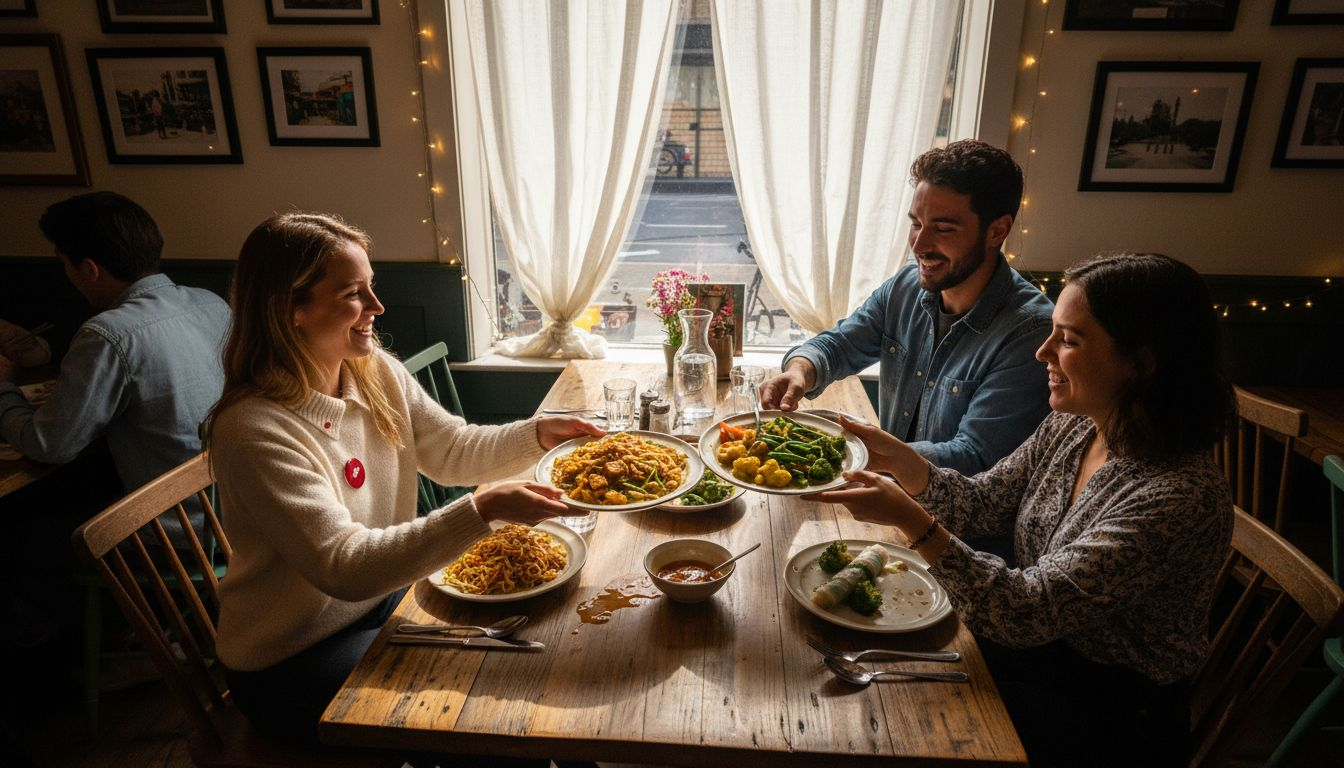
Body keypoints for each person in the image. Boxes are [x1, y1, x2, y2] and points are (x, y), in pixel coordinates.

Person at [805, 253, 1235, 767]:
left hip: (1108, 714)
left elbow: (1026, 613)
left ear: (1140, 364)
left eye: (1069, 340)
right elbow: (983, 502)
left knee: (883, 719)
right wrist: (901, 459)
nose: (1042, 352)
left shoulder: (1177, 497)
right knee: (841, 660)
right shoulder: (1078, 425)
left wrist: (911, 519)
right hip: (1034, 656)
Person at [206, 212, 603, 747]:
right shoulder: (254, 430)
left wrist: (538, 434)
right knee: (485, 714)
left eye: (373, 287)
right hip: (291, 660)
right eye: (353, 293)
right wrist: (481, 512)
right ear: (289, 309)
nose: (377, 307)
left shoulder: (372, 372)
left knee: (525, 661)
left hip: (377, 605)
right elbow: (342, 567)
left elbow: (452, 451)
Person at [760, 140, 1053, 476]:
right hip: (887, 494)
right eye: (916, 224)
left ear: (997, 231)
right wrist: (800, 369)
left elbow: (975, 456)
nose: (919, 244)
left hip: (951, 524)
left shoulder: (1032, 334)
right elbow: (840, 344)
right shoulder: (905, 287)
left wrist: (838, 448)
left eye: (943, 228)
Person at [0, 192, 231, 514]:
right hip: (237, 519)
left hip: (179, 537)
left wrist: (4, 389)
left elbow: (49, 445)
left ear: (90, 269)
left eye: (64, 263)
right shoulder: (210, 303)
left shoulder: (107, 334)